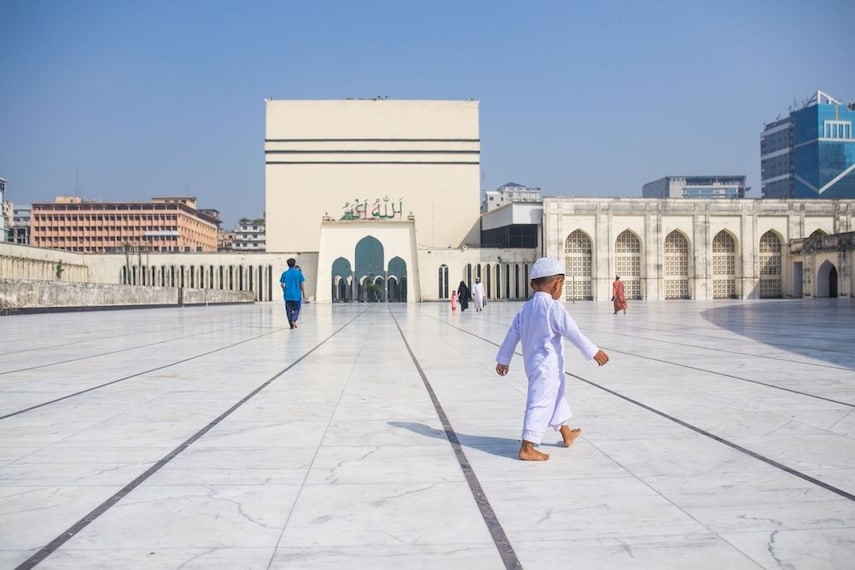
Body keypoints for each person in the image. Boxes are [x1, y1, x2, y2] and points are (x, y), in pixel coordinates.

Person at [495, 257, 609, 461]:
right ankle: (527, 446)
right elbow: (572, 332)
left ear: (532, 285)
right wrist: (593, 351)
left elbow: (513, 334)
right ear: (557, 283)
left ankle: (566, 434)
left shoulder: (526, 308)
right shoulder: (553, 308)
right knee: (539, 402)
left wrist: (504, 359)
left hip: (533, 365)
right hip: (547, 366)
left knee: (556, 396)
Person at [280, 258, 306, 329]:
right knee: (297, 309)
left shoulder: (285, 274)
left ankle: (291, 325)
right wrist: (303, 293)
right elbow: (302, 284)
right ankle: (294, 320)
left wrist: (284, 290)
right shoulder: (299, 273)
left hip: (287, 295)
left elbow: (282, 284)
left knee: (289, 310)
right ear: (294, 264)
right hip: (296, 295)